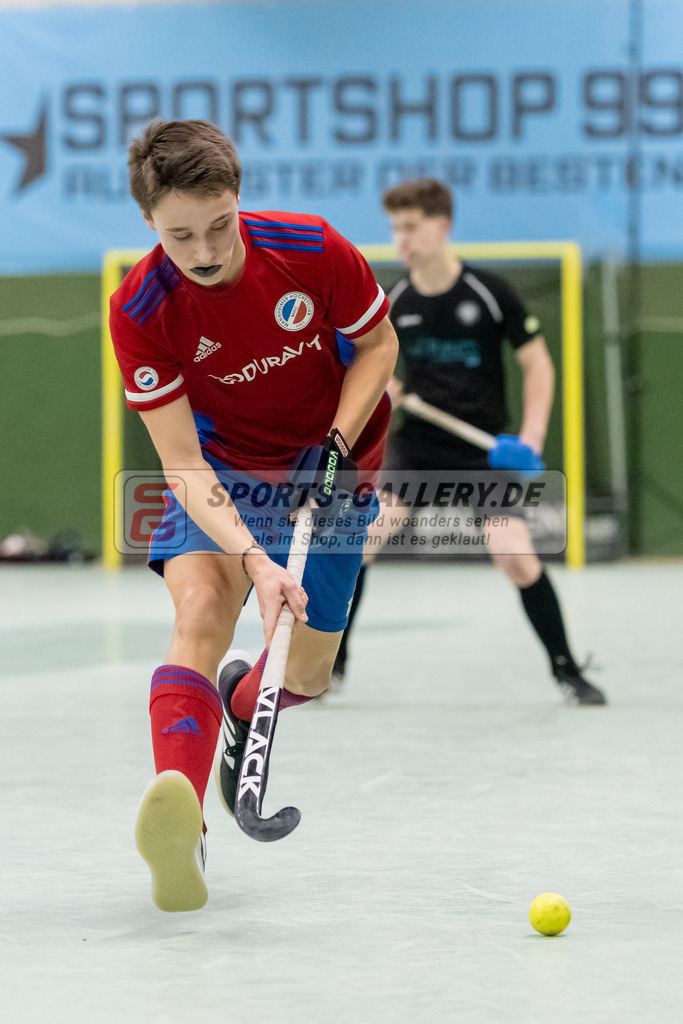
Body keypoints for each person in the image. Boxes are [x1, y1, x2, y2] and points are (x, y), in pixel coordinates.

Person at [109, 120, 398, 911]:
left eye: (217, 226)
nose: (203, 252)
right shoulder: (140, 308)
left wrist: (334, 445)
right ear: (148, 225)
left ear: (237, 198)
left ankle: (242, 702)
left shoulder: (310, 250)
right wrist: (257, 561)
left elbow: (377, 347)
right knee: (202, 608)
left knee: (305, 672)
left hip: (333, 471)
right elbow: (181, 463)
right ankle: (186, 825)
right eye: (179, 236)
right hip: (225, 470)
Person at [333, 178, 606, 708]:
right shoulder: (394, 299)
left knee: (514, 555)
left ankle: (567, 670)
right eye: (396, 229)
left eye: (411, 227)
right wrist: (383, 386)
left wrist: (530, 435)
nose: (402, 240)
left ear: (442, 226)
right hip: (418, 448)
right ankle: (333, 663)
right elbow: (368, 363)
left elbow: (536, 365)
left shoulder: (489, 291)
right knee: (363, 538)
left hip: (485, 453)